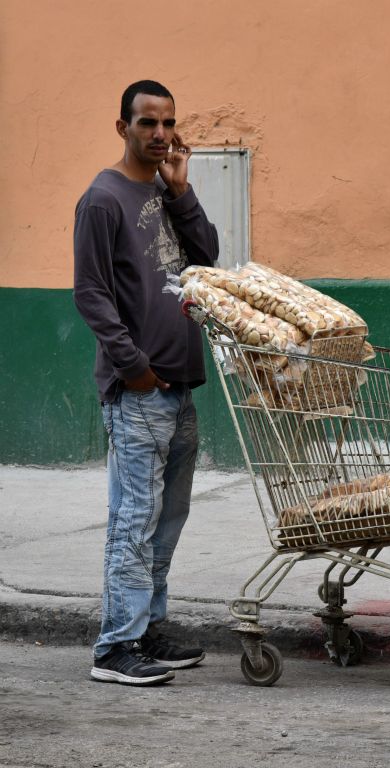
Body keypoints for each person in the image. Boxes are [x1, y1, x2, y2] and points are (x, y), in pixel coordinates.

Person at [73, 80, 219, 686]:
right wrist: (133, 368)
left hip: (180, 384)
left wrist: (182, 192)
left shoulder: (165, 190)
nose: (159, 135)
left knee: (166, 519)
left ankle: (147, 628)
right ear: (122, 128)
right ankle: (115, 647)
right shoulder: (102, 200)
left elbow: (208, 260)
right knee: (133, 519)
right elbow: (91, 294)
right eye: (146, 124)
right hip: (139, 391)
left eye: (167, 124)